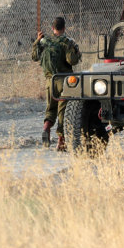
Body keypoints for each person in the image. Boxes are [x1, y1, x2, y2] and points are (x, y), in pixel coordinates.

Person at [31, 16, 81, 151]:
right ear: (64, 28)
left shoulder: (44, 41)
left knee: (50, 109)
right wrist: (75, 50)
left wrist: (37, 40)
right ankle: (61, 141)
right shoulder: (67, 42)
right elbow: (72, 61)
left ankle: (46, 128)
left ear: (52, 28)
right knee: (62, 112)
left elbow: (34, 56)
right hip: (64, 81)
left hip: (49, 81)